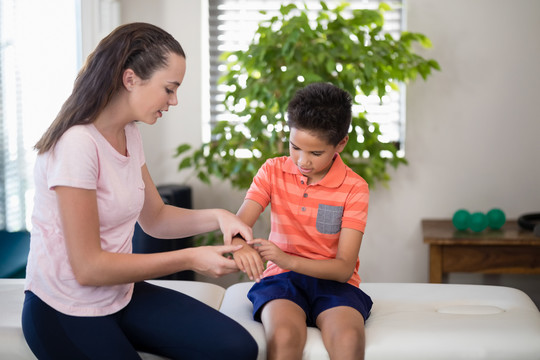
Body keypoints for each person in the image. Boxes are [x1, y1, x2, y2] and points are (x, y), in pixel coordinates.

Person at [21, 22, 258, 360]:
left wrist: (220, 217)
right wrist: (191, 257)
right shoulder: (76, 145)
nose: (174, 101)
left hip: (121, 295)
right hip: (65, 309)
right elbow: (88, 268)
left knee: (237, 349)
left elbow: (156, 219)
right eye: (170, 88)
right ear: (130, 79)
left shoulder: (128, 133)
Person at [231, 82, 373, 360]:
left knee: (349, 338)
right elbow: (239, 223)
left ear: (340, 143)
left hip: (334, 284)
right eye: (295, 147)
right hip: (282, 281)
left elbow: (344, 269)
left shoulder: (355, 188)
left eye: (315, 153)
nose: (302, 161)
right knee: (284, 337)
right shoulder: (272, 171)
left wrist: (288, 259)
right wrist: (241, 245)